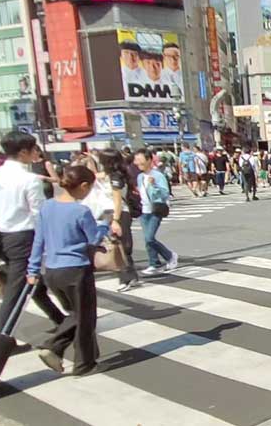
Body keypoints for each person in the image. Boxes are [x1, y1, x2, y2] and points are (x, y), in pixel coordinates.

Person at [27, 165, 103, 376]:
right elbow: (94, 238)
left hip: (52, 270)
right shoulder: (81, 211)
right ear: (83, 186)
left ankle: (83, 358)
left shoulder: (47, 207)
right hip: (76, 269)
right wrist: (105, 227)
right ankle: (62, 351)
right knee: (84, 317)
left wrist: (33, 269)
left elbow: (39, 240)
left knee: (75, 315)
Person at [0, 131, 65, 332]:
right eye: (33, 149)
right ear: (23, 152)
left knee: (32, 284)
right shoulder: (29, 179)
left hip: (2, 234)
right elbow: (40, 213)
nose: (35, 153)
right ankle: (2, 335)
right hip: (24, 235)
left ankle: (59, 320)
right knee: (16, 288)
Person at [88, 150, 140, 292]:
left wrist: (115, 220)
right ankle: (131, 275)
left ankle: (125, 278)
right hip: (109, 213)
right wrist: (89, 160)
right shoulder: (110, 175)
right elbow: (94, 175)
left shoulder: (116, 177)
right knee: (119, 244)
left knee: (119, 246)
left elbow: (117, 200)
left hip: (119, 213)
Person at [134, 149, 179, 276]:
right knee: (147, 239)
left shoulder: (158, 175)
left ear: (149, 160)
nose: (138, 163)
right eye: (136, 161)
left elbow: (165, 193)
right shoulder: (140, 176)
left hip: (156, 209)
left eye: (140, 160)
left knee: (149, 238)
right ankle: (154, 263)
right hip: (144, 210)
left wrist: (154, 186)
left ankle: (170, 256)